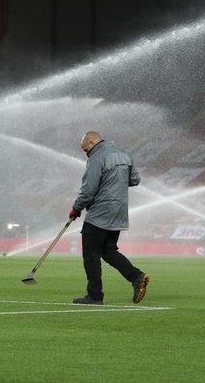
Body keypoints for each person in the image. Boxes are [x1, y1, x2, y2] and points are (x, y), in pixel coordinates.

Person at [69, 131, 149, 305]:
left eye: (85, 150)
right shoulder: (124, 154)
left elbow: (88, 189)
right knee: (108, 251)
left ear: (91, 143)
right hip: (119, 211)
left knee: (91, 254)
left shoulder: (97, 157)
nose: (86, 153)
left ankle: (94, 296)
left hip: (100, 212)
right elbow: (135, 180)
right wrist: (115, 181)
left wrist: (76, 209)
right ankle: (136, 276)